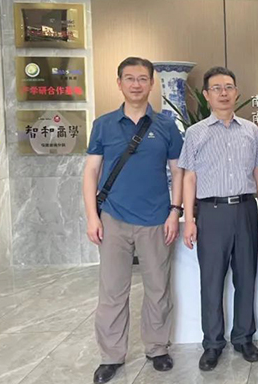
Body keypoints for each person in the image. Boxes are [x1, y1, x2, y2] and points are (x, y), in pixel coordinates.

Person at [83, 57, 183, 384]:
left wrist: (175, 211)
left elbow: (178, 172)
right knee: (112, 291)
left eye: (142, 78)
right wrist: (92, 217)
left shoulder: (166, 125)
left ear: (152, 83)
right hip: (113, 218)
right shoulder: (103, 124)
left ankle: (157, 348)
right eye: (129, 78)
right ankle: (111, 356)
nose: (136, 84)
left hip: (156, 219)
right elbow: (91, 172)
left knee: (158, 288)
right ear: (119, 83)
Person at [178, 66, 258, 371]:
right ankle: (213, 343)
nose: (223, 93)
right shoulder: (195, 132)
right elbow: (189, 177)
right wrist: (190, 219)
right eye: (216, 88)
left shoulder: (251, 130)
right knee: (212, 280)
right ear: (206, 95)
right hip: (211, 212)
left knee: (246, 278)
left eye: (229, 87)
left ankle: (244, 338)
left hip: (245, 210)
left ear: (237, 92)